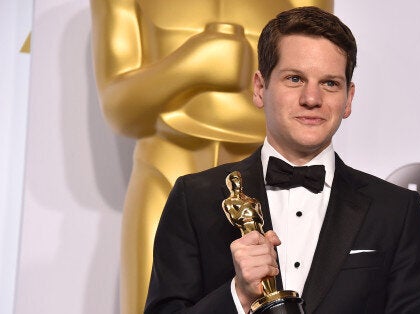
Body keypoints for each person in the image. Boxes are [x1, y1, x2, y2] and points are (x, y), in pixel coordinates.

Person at [145, 6, 420, 313]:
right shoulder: (195, 199)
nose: (311, 99)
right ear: (260, 89)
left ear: (348, 99)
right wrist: (238, 296)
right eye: (295, 78)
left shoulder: (396, 211)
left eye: (329, 83)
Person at [89, 1, 332, 313]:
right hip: (165, 169)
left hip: (268, 181)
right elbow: (120, 112)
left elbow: (312, 96)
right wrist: (191, 65)